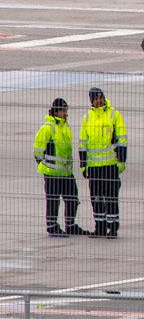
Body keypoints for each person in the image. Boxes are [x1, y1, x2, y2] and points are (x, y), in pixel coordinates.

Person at [79, 85, 127, 238]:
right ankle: (99, 227)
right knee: (96, 199)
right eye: (96, 99)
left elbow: (122, 139)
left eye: (101, 97)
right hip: (94, 167)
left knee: (112, 198)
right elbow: (82, 143)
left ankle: (113, 227)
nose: (99, 101)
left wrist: (121, 161)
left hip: (110, 165)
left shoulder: (114, 115)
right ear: (91, 101)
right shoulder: (87, 117)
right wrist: (83, 165)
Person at [33, 98, 84, 238]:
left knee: (72, 198)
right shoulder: (47, 128)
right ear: (56, 111)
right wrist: (44, 165)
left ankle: (70, 225)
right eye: (63, 110)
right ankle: (52, 226)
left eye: (66, 110)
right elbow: (37, 150)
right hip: (52, 172)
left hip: (66, 172)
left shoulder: (65, 126)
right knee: (53, 200)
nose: (66, 113)